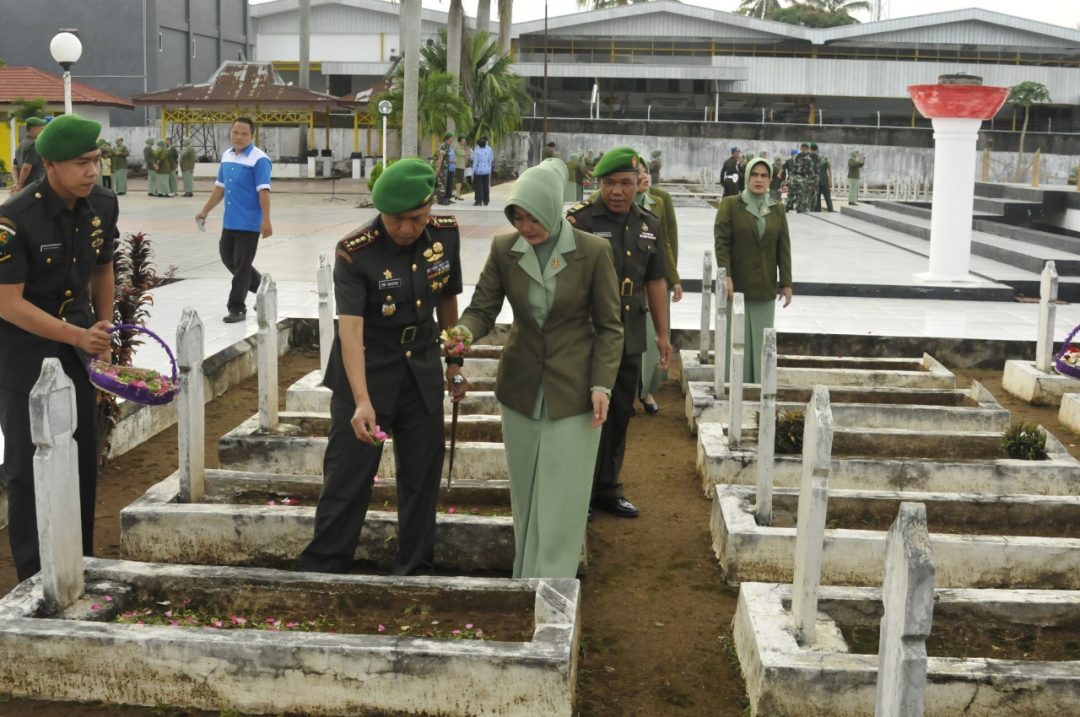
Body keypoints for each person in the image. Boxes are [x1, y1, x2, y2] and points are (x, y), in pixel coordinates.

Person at [452, 158, 623, 578]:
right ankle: (524, 578)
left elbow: (610, 327)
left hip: (576, 390)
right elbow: (483, 308)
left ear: (553, 207)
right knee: (526, 492)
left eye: (533, 217)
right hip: (522, 388)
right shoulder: (505, 250)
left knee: (563, 495)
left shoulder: (592, 251)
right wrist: (462, 334)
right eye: (518, 217)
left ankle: (555, 583)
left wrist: (602, 384)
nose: (526, 226)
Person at [297, 158, 465, 576]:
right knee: (349, 477)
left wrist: (454, 361)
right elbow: (350, 332)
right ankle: (326, 567)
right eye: (396, 220)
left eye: (416, 218)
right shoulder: (356, 252)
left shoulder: (445, 234)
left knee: (421, 477)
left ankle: (415, 566)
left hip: (422, 371)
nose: (407, 228)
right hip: (367, 371)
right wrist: (360, 401)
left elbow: (447, 300)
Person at [0, 114, 118, 581]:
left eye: (96, 160)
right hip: (24, 354)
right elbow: (7, 303)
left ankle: (78, 561)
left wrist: (104, 333)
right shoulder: (14, 219)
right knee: (29, 468)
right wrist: (76, 337)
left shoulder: (103, 204)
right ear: (49, 165)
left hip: (79, 350)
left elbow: (102, 267)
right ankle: (35, 576)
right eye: (80, 163)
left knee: (80, 457)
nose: (92, 171)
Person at [567, 147, 672, 519]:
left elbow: (655, 280)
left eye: (625, 183)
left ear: (637, 185)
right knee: (584, 413)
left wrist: (663, 334)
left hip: (629, 330)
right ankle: (577, 490)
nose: (617, 191)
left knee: (619, 412)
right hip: (589, 332)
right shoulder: (578, 222)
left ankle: (607, 488)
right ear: (598, 183)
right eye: (609, 183)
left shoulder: (648, 223)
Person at [713, 157, 793, 383]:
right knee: (736, 339)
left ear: (770, 179)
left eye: (764, 175)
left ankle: (759, 385)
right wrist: (726, 275)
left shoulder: (777, 209)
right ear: (747, 176)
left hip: (764, 286)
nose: (759, 180)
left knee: (761, 339)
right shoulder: (730, 205)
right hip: (736, 286)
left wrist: (786, 282)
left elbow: (783, 247)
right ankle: (733, 384)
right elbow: (722, 244)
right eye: (755, 175)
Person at [195, 117, 273, 323]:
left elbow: (263, 191)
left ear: (252, 136)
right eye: (235, 132)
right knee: (228, 258)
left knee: (242, 266)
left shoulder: (259, 159)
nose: (238, 137)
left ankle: (237, 308)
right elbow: (220, 188)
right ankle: (264, 287)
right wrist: (205, 210)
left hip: (249, 222)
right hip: (230, 221)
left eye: (244, 134)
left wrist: (266, 220)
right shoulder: (227, 156)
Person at [634, 157, 681, 415]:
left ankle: (647, 390)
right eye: (637, 173)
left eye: (644, 172)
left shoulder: (659, 202)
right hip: (627, 283)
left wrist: (673, 278)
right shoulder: (617, 204)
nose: (643, 177)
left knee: (654, 337)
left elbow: (666, 245)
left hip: (653, 280)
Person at [11, 117, 46, 193]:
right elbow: (26, 167)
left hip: (26, 188)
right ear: (33, 129)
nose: (42, 131)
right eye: (41, 128)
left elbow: (14, 168)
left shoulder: (21, 145)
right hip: (34, 186)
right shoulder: (33, 145)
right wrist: (19, 185)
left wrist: (17, 183)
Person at [791, 143, 816, 213]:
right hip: (805, 180)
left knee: (798, 196)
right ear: (807, 149)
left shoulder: (796, 157)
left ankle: (798, 209)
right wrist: (812, 182)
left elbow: (793, 169)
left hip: (796, 179)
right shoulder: (808, 158)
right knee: (805, 196)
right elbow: (810, 172)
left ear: (801, 148)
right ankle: (802, 210)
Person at [433, 131, 455, 205]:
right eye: (452, 138)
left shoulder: (448, 146)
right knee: (441, 183)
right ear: (448, 138)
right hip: (442, 167)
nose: (453, 139)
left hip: (446, 168)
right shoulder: (443, 145)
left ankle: (445, 198)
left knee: (444, 183)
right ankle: (441, 200)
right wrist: (438, 168)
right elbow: (440, 157)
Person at [810, 142, 833, 212]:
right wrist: (830, 181)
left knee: (817, 198)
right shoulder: (824, 159)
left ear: (810, 149)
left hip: (816, 182)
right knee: (828, 198)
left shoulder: (809, 159)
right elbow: (829, 170)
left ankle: (818, 212)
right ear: (817, 149)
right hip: (824, 181)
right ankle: (831, 211)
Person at [472, 136, 493, 206]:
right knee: (486, 185)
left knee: (479, 185)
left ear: (478, 144)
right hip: (486, 170)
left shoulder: (476, 151)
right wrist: (489, 169)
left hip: (478, 171)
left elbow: (475, 162)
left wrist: (473, 171)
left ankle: (478, 201)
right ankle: (486, 201)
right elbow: (490, 161)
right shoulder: (488, 151)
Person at [453, 136, 471, 201]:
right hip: (458, 166)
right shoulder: (457, 146)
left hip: (462, 165)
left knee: (460, 180)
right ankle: (457, 195)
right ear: (460, 140)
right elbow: (459, 153)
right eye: (463, 140)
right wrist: (466, 154)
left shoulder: (462, 147)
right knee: (459, 180)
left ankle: (458, 194)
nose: (464, 141)